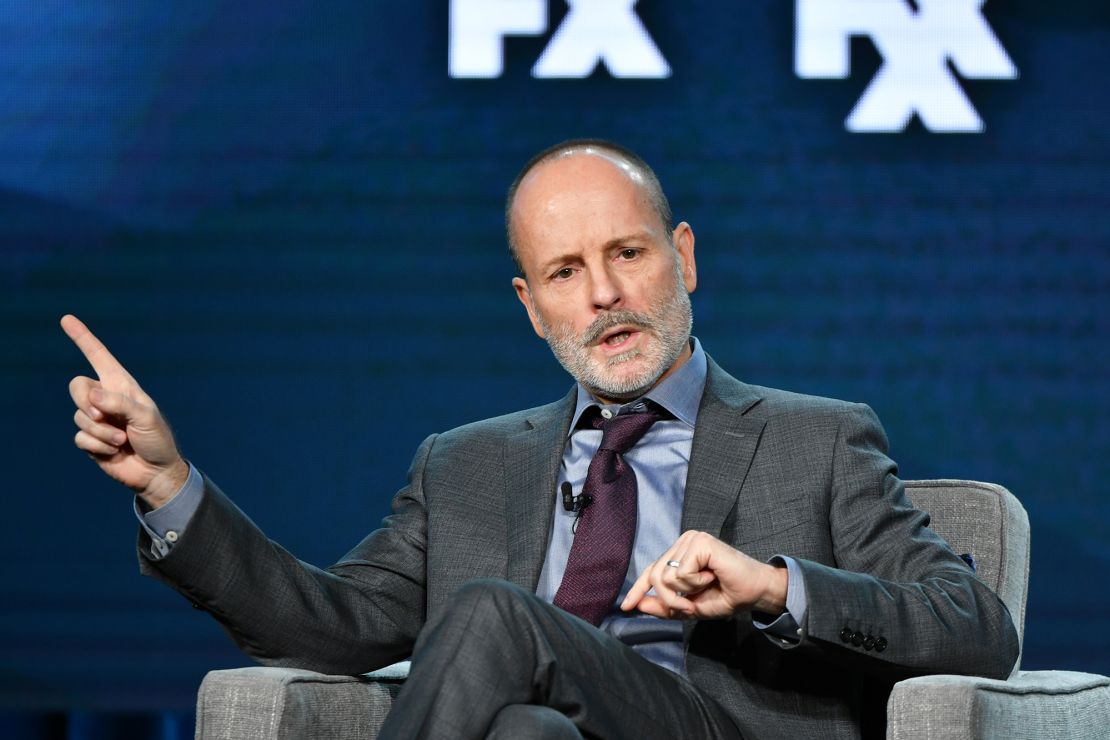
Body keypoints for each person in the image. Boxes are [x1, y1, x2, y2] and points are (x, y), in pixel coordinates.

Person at [63, 140, 1019, 740]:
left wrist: (772, 585)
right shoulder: (465, 465)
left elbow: (975, 627)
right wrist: (170, 483)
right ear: (531, 307)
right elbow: (329, 626)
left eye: (628, 255)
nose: (603, 295)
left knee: (492, 614)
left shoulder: (817, 439)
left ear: (680, 257)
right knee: (523, 726)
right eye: (565, 272)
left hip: (708, 726)